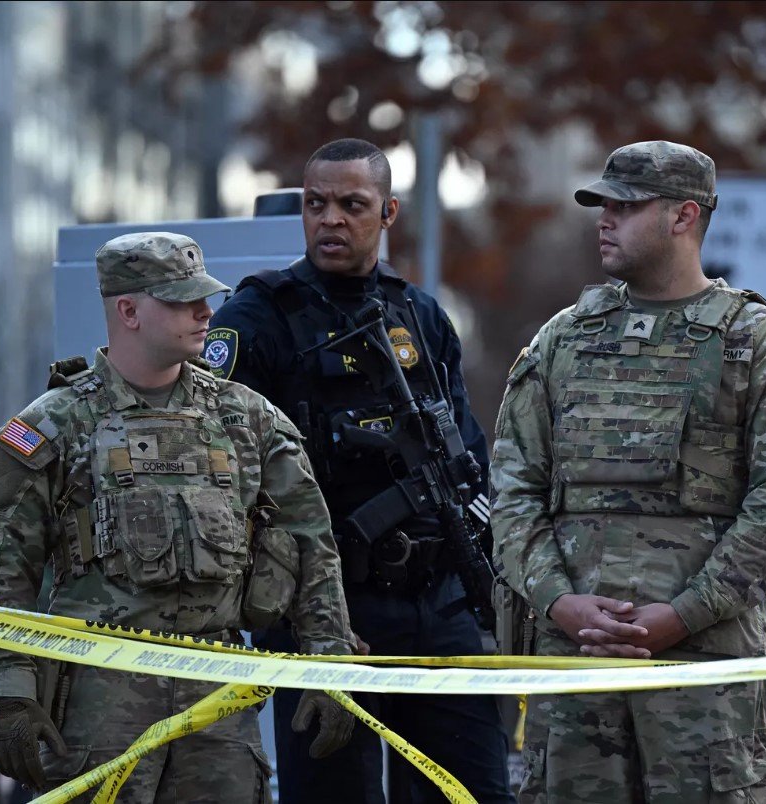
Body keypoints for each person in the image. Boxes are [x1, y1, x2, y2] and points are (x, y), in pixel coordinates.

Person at [0, 231, 356, 802]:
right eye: (180, 300)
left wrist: (329, 661)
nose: (204, 312)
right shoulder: (56, 424)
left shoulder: (248, 420)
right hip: (99, 698)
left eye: (204, 297)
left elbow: (311, 540)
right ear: (128, 310)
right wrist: (13, 688)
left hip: (217, 693)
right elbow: (4, 565)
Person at [492, 140, 766, 803]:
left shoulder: (754, 344)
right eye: (601, 205)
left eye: (626, 205)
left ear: (684, 216)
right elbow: (512, 493)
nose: (604, 219)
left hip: (700, 680)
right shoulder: (562, 339)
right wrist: (559, 601)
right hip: (574, 677)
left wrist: (681, 615)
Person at [204, 138, 513, 804]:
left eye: (352, 204)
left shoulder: (421, 316)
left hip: (437, 605)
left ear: (388, 213)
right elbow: (222, 480)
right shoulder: (258, 317)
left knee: (473, 792)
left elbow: (467, 457)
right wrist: (305, 610)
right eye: (316, 204)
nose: (331, 219)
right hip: (325, 615)